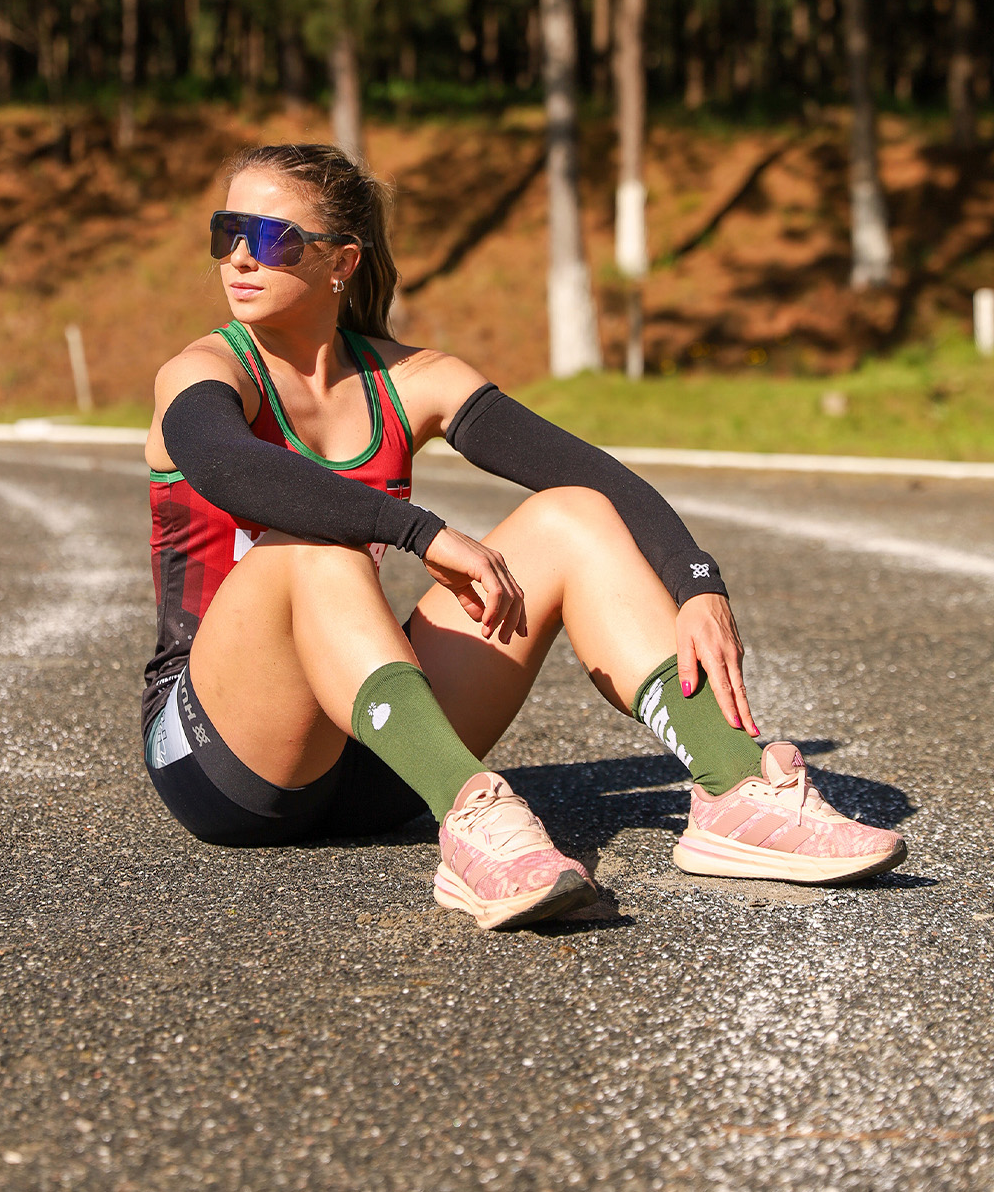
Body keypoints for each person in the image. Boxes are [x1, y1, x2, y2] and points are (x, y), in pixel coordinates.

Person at [141, 142, 906, 931]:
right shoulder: (204, 371)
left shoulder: (413, 380)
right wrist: (419, 532)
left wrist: (696, 582)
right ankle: (474, 816)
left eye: (270, 237)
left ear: (342, 260)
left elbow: (589, 472)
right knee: (310, 546)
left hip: (372, 761)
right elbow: (226, 465)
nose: (239, 256)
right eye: (226, 231)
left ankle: (734, 791)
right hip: (224, 759)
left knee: (572, 515)